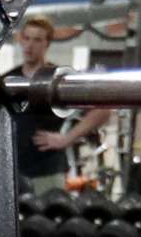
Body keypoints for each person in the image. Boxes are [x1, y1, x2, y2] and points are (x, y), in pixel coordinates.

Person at [10, 14, 113, 201]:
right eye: (26, 38)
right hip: (12, 172)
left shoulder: (59, 79)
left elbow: (103, 109)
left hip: (47, 172)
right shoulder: (9, 79)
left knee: (47, 225)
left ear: (47, 44)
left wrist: (67, 139)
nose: (30, 45)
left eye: (37, 40)